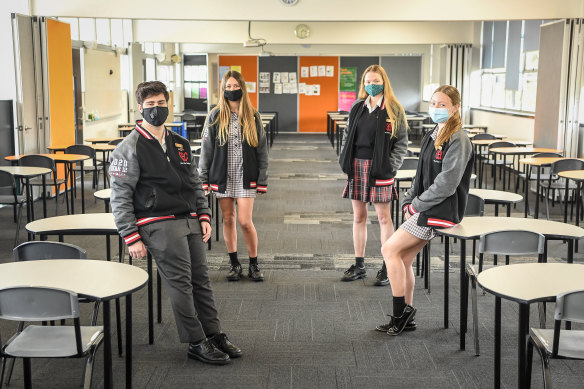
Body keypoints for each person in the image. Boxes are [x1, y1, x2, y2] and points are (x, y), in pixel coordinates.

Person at [109, 81, 241, 365]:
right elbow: (119, 197)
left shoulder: (178, 143)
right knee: (181, 284)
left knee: (201, 281)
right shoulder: (128, 147)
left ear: (168, 104)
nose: (156, 109)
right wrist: (130, 236)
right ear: (140, 107)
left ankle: (213, 333)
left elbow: (194, 183)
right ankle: (195, 341)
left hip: (189, 219)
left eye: (161, 103)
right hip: (157, 223)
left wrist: (204, 215)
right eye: (150, 105)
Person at [377, 85, 474, 335]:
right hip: (427, 208)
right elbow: (421, 176)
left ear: (455, 108)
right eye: (433, 103)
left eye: (442, 104)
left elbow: (447, 183)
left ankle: (400, 315)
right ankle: (406, 316)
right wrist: (410, 199)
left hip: (440, 211)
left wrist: (417, 206)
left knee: (389, 249)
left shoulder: (458, 138)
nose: (436, 108)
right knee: (404, 258)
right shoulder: (435, 133)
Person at [339, 64, 409, 286]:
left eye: (375, 81)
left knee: (383, 218)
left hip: (381, 168)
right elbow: (347, 135)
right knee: (358, 217)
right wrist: (345, 159)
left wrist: (391, 166)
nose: (371, 85)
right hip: (357, 166)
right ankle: (359, 265)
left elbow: (402, 144)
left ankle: (387, 266)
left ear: (384, 82)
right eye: (367, 81)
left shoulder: (394, 109)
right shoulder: (357, 107)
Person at [199, 70, 269, 282]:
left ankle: (254, 264)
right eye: (227, 87)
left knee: (245, 221)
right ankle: (234, 264)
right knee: (228, 219)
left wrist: (262, 179)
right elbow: (206, 149)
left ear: (242, 88)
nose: (231, 90)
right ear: (223, 89)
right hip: (222, 175)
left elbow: (262, 151)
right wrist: (203, 178)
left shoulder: (253, 115)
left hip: (245, 175)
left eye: (235, 86)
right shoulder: (215, 115)